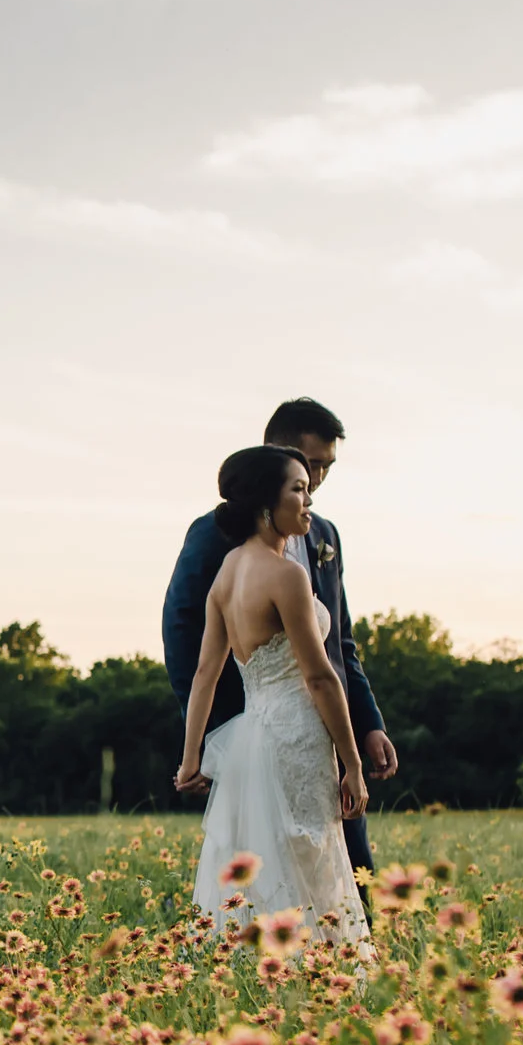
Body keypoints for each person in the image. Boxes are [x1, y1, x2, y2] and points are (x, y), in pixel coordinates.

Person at [160, 398, 394, 886]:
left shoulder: (323, 534)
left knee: (331, 867)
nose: (318, 484)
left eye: (326, 469)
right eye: (308, 468)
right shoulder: (215, 538)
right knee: (302, 871)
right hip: (265, 731)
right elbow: (187, 642)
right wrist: (215, 741)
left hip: (322, 729)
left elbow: (341, 646)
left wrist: (366, 724)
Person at [172, 446, 369, 944]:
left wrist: (190, 756)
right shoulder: (286, 575)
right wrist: (353, 763)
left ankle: (263, 969)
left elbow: (204, 674)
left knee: (265, 856)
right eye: (297, 490)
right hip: (297, 735)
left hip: (254, 736)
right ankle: (318, 971)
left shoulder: (227, 573)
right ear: (266, 505)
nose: (308, 501)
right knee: (311, 857)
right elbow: (321, 678)